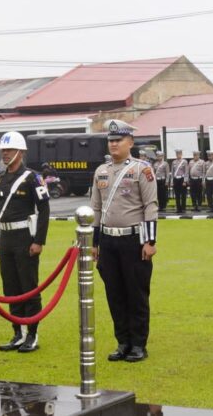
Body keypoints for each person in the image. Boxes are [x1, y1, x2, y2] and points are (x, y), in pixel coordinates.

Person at [91, 119, 157, 363]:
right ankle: (122, 342)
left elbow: (150, 206)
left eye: (118, 140)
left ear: (130, 142)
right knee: (114, 294)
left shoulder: (142, 169)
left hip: (133, 241)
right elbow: (96, 208)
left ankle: (139, 344)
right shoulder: (101, 172)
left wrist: (150, 241)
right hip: (108, 242)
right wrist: (94, 243)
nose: (113, 144)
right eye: (110, 140)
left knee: (136, 294)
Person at [0, 131, 50, 353]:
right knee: (10, 288)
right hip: (5, 239)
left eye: (9, 150)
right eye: (3, 150)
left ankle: (31, 334)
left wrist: (39, 241)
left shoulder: (33, 178)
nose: (5, 154)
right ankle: (17, 332)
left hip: (25, 238)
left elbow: (44, 209)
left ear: (20, 152)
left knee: (29, 287)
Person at [171, 149, 188, 214]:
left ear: (181, 154)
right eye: (177, 154)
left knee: (183, 195)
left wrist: (185, 181)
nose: (178, 155)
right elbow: (172, 173)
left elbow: (186, 172)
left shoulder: (184, 162)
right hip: (176, 179)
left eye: (179, 154)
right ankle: (178, 208)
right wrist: (172, 181)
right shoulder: (173, 162)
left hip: (182, 179)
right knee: (177, 195)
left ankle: (183, 208)